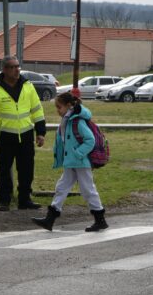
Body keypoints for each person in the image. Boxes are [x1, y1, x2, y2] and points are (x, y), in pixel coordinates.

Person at [32, 91, 108, 232]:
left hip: (80, 162)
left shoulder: (77, 121)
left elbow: (90, 140)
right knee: (61, 188)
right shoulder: (67, 120)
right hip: (71, 163)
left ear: (68, 105)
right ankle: (50, 219)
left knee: (88, 190)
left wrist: (78, 153)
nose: (57, 111)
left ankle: (100, 219)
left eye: (59, 107)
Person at [0, 55, 46, 211]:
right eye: (13, 67)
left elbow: (37, 110)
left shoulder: (28, 86)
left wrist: (41, 132)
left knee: (27, 169)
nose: (17, 70)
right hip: (4, 136)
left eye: (18, 66)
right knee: (4, 170)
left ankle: (24, 200)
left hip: (26, 134)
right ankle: (4, 201)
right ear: (4, 69)